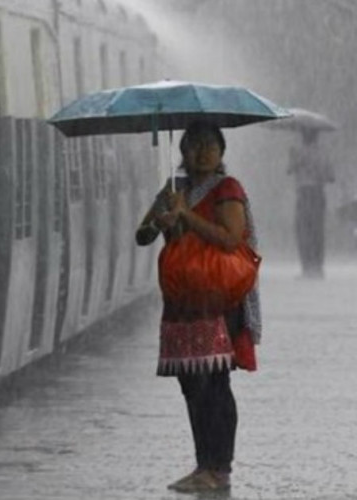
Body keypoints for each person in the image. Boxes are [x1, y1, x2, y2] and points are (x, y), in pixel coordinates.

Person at [135, 122, 262, 494]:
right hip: (184, 299)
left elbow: (229, 239)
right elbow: (142, 236)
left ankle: (219, 466)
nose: (203, 152)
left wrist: (187, 217)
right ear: (183, 150)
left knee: (214, 382)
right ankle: (202, 463)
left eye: (210, 145)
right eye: (195, 145)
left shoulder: (227, 189)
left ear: (221, 151)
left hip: (218, 299)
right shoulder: (175, 189)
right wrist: (160, 222)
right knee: (191, 381)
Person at [288, 130, 334, 278]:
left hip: (303, 192)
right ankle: (317, 266)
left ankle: (307, 267)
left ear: (303, 136)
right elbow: (331, 177)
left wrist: (295, 158)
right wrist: (318, 170)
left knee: (303, 231)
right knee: (317, 231)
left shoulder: (297, 152)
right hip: (318, 193)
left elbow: (290, 170)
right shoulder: (323, 154)